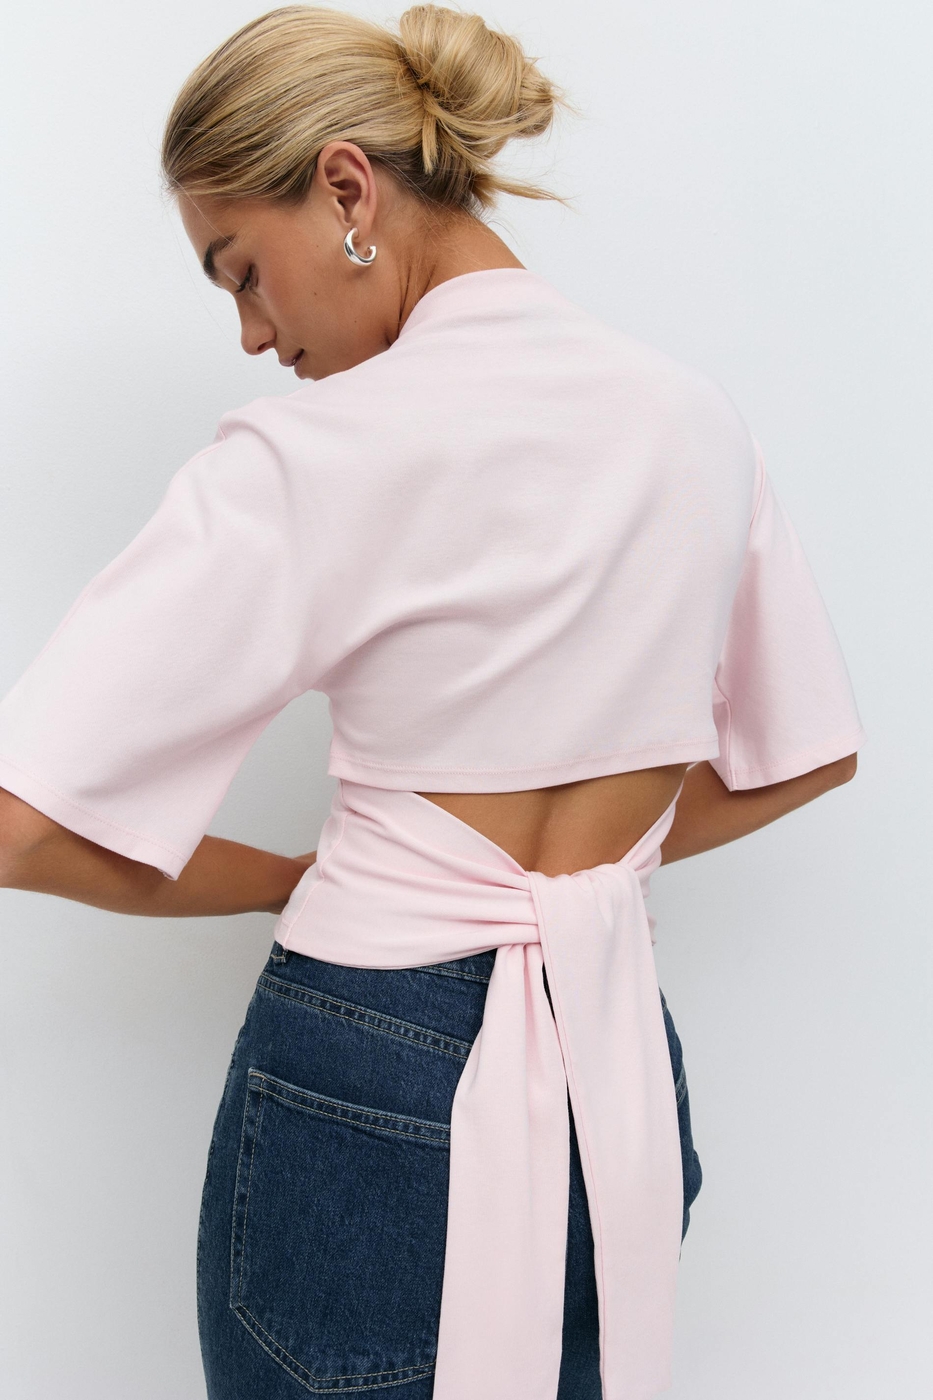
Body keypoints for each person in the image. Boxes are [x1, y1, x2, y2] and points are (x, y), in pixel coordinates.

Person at [0, 5, 866, 1399]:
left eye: (242, 271)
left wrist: (298, 878)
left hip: (369, 1070)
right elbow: (801, 754)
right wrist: (588, 881)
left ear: (347, 188)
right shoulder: (690, 418)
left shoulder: (308, 455)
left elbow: (18, 824)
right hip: (608, 1057)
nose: (250, 333)